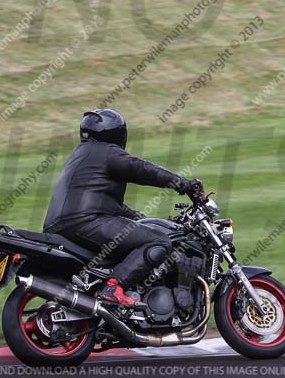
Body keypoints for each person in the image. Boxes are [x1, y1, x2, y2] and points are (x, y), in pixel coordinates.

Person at [43, 108, 203, 307]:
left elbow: (106, 204)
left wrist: (138, 217)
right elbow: (142, 169)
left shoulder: (81, 154)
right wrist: (182, 183)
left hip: (63, 224)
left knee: (140, 236)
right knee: (158, 241)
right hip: (86, 222)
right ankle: (114, 288)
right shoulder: (108, 152)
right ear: (117, 133)